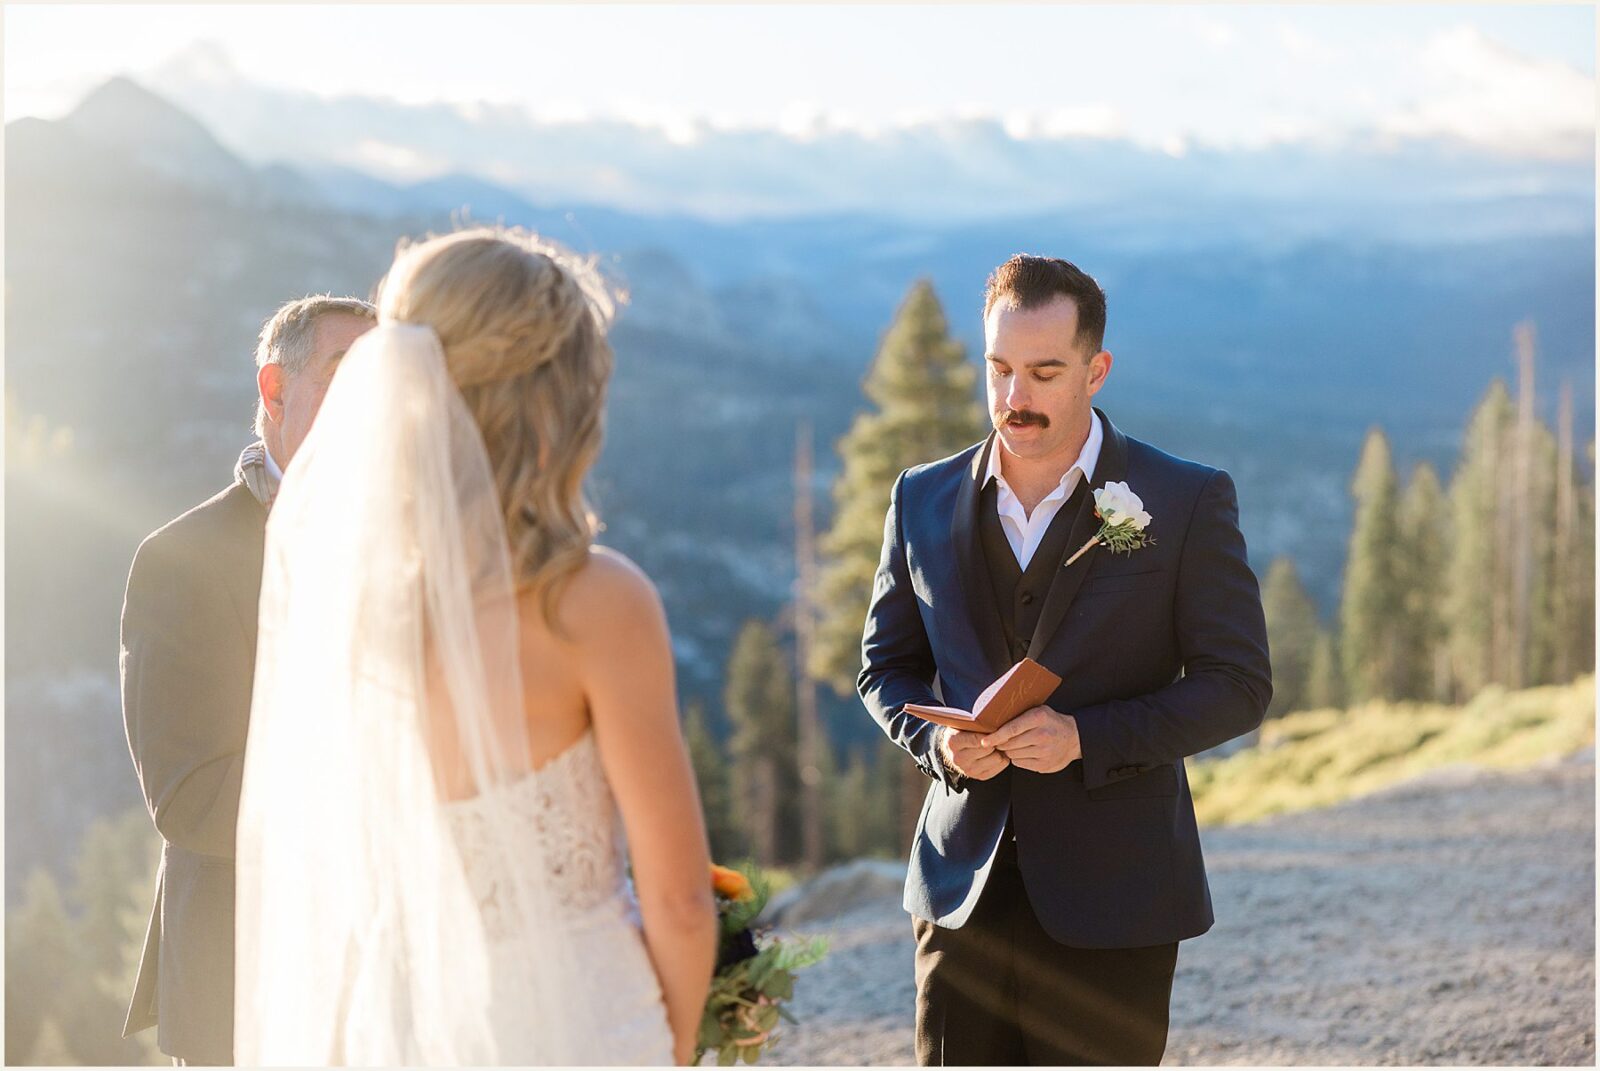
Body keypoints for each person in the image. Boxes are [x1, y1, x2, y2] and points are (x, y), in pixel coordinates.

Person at [233, 227, 717, 1065]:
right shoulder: (595, 602)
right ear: (557, 401)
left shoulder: (341, 605)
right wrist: (670, 1042)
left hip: (407, 1024)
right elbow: (677, 898)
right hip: (588, 1025)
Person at [859, 254, 1272, 1065]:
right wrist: (937, 744)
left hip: (1118, 899)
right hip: (960, 894)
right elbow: (884, 667)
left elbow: (1239, 685)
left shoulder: (1184, 500)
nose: (1016, 398)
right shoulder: (921, 497)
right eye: (1000, 369)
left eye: (1045, 372)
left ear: (1097, 371)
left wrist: (1085, 737)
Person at [121, 295, 376, 1065]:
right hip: (249, 988)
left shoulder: (415, 547)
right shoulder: (181, 561)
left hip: (390, 985)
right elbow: (191, 798)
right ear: (274, 390)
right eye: (346, 376)